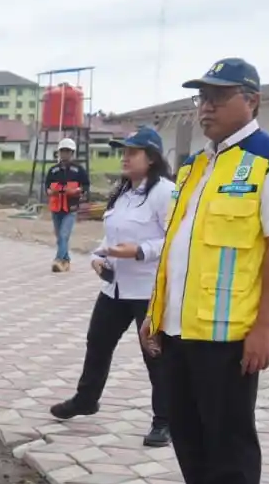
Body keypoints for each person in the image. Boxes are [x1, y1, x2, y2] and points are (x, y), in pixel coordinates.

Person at [141, 58, 269, 484]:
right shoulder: (195, 166)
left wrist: (266, 326)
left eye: (219, 96)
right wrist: (154, 314)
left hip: (229, 332)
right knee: (188, 432)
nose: (206, 106)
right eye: (201, 97)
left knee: (228, 438)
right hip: (179, 325)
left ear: (251, 100)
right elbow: (177, 246)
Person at [49, 126, 176, 447]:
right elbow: (112, 233)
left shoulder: (165, 192)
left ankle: (166, 420)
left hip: (147, 289)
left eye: (132, 152)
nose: (125, 158)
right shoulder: (122, 190)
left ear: (151, 158)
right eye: (124, 151)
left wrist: (139, 251)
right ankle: (86, 399)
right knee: (97, 342)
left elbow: (175, 238)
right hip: (114, 286)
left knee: (155, 355)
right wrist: (97, 256)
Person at [46, 137, 90, 272]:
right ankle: (66, 261)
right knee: (59, 236)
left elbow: (86, 185)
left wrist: (79, 191)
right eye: (63, 151)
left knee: (64, 235)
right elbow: (47, 187)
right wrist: (50, 191)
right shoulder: (53, 170)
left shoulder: (79, 170)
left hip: (70, 208)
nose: (65, 154)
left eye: (68, 151)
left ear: (72, 153)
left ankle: (58, 260)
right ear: (59, 152)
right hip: (56, 207)